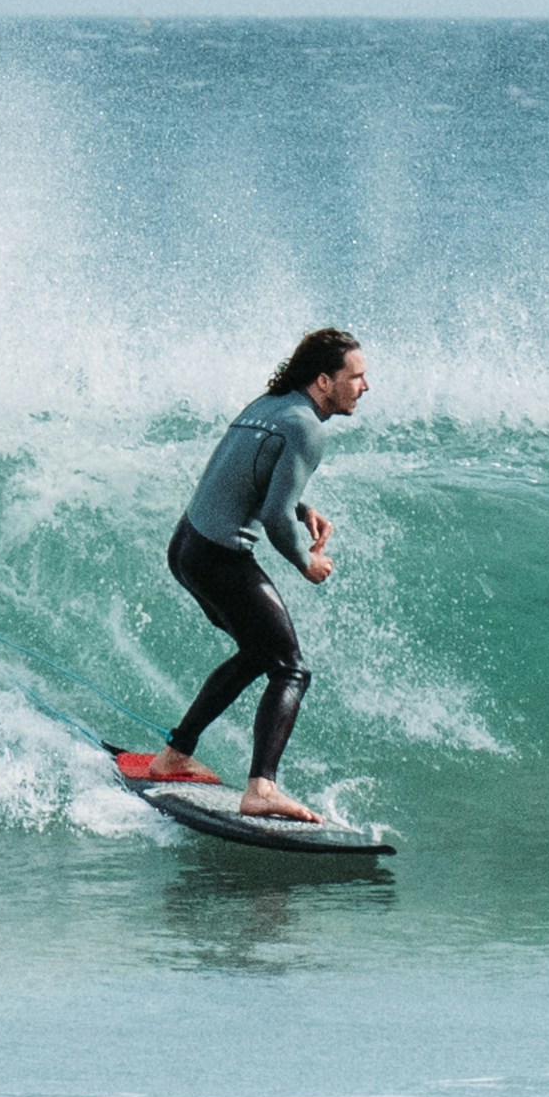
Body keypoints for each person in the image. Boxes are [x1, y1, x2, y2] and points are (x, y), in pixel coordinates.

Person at [147, 327, 370, 823]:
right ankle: (261, 789)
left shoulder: (269, 406)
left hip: (186, 545)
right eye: (355, 377)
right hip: (219, 556)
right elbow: (272, 519)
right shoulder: (307, 427)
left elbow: (247, 476)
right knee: (290, 667)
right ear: (322, 381)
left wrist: (300, 506)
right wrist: (306, 561)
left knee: (256, 652)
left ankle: (175, 754)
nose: (365, 386)